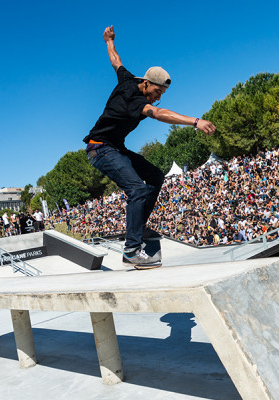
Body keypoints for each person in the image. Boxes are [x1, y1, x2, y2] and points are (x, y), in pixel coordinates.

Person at [84, 26, 216, 267]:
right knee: (136, 190)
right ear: (146, 84)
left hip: (115, 148)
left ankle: (138, 228)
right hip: (99, 149)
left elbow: (116, 61)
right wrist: (195, 121)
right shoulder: (134, 100)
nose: (158, 97)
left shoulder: (127, 78)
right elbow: (158, 113)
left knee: (155, 176)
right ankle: (131, 250)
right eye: (157, 91)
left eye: (162, 93)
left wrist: (109, 41)